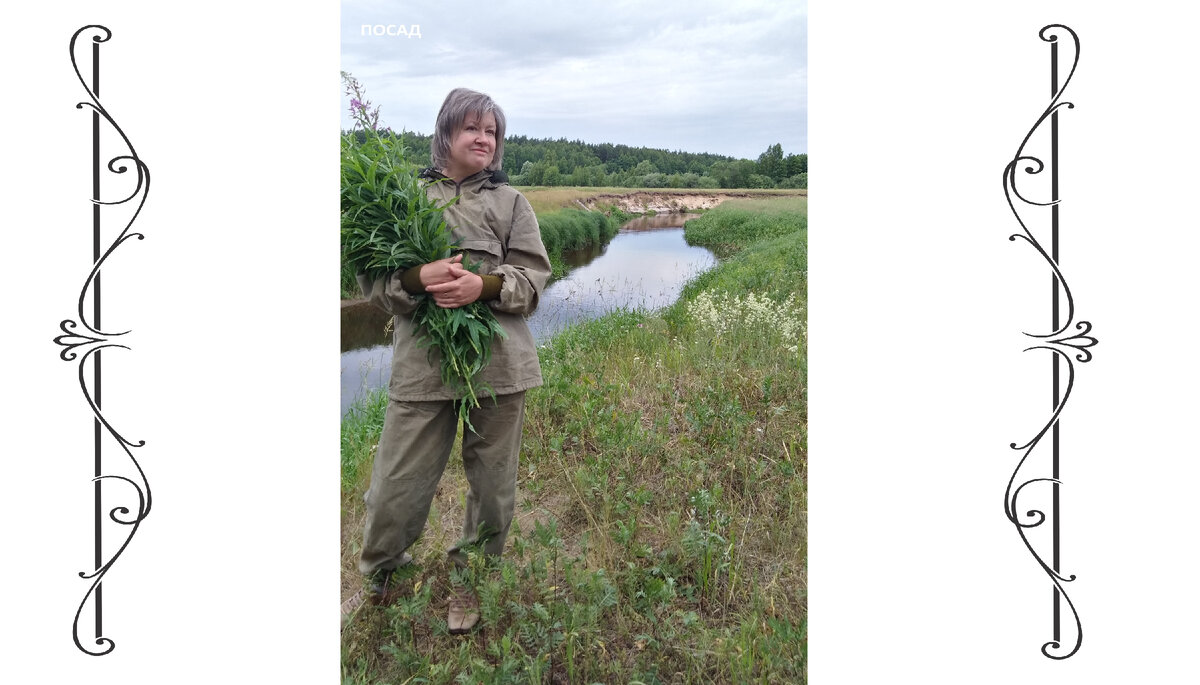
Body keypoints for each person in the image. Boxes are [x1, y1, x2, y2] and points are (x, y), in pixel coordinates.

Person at [350, 88, 551, 634]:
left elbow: (533, 279)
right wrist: (419, 278)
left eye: (492, 132)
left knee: (493, 486)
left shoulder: (512, 204)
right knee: (397, 482)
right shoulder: (402, 196)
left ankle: (471, 578)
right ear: (446, 133)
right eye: (473, 129)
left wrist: (482, 286)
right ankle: (384, 577)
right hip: (423, 366)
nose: (484, 139)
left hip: (501, 367)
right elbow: (371, 279)